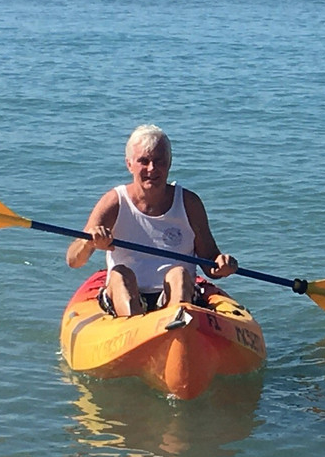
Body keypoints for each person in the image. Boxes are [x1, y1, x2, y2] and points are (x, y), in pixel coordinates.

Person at [66, 124, 239, 316]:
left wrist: (223, 265)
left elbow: (210, 263)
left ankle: (176, 325)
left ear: (169, 163)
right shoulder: (114, 201)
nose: (152, 169)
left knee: (179, 273)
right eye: (144, 161)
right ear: (129, 164)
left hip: (175, 295)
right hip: (127, 294)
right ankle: (134, 326)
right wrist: (88, 242)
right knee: (120, 274)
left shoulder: (189, 203)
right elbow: (73, 260)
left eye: (159, 161)